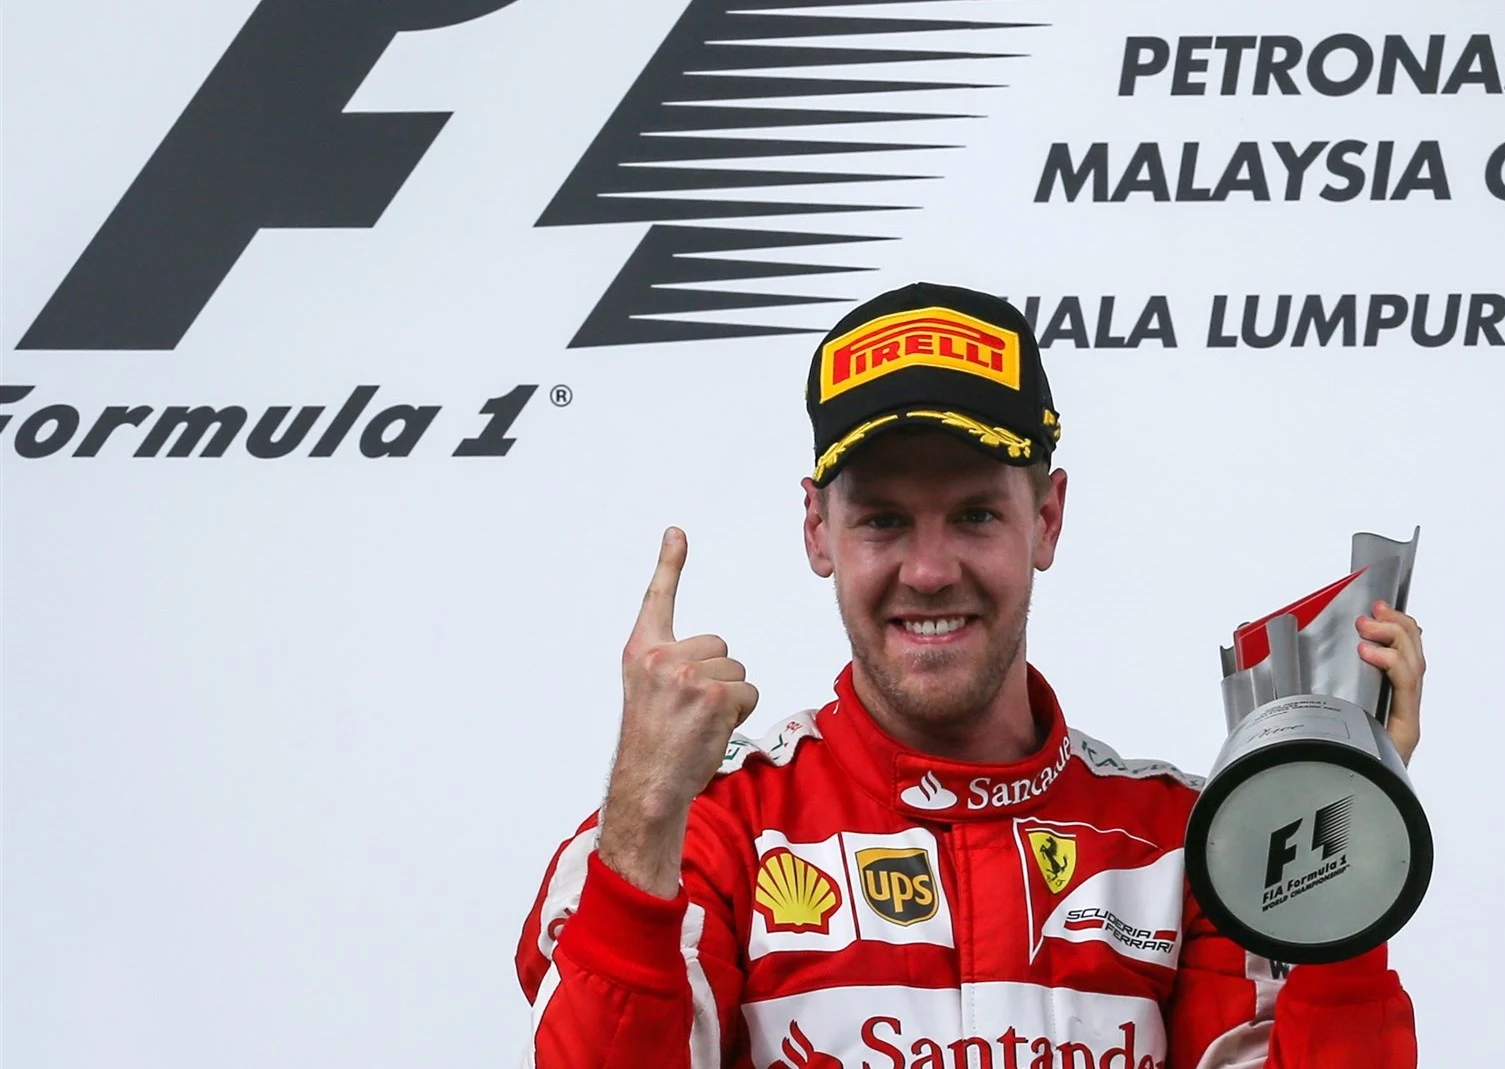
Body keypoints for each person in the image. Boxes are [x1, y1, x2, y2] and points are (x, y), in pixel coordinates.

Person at [515, 283, 1428, 1069]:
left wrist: (1340, 842)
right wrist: (642, 807)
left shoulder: (1191, 846)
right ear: (817, 530)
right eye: (881, 520)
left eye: (976, 514)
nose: (928, 569)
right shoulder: (701, 830)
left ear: (1047, 518)